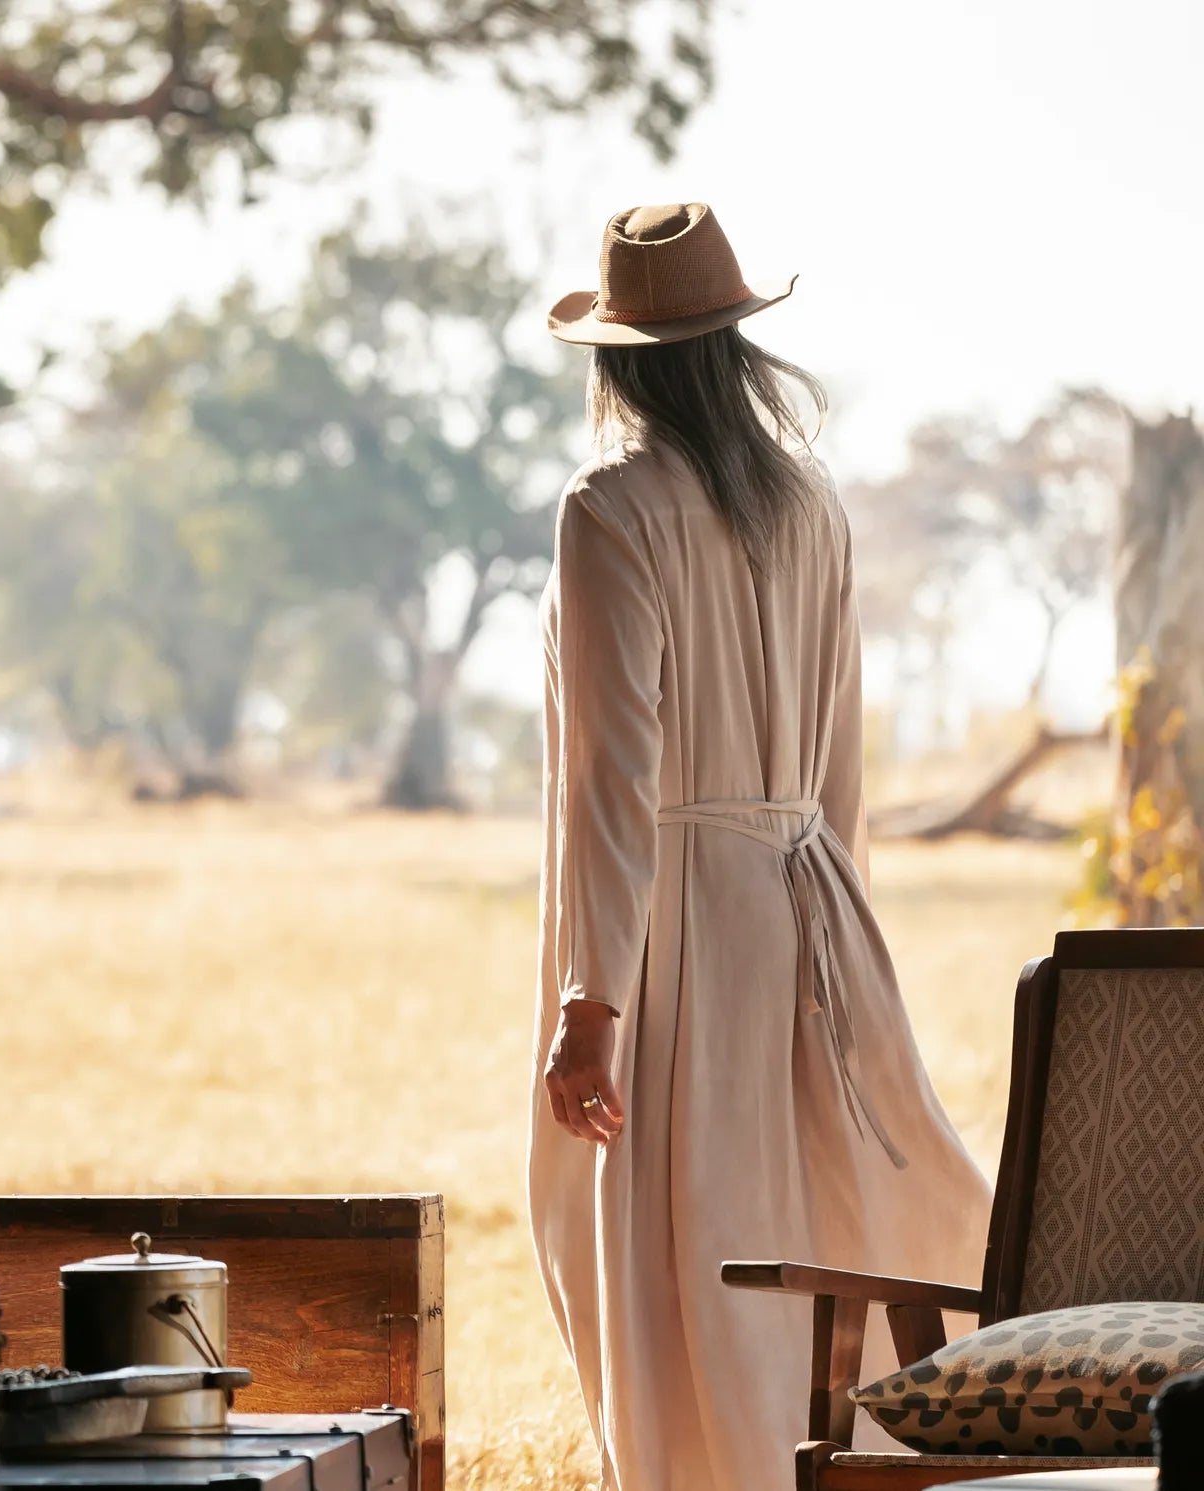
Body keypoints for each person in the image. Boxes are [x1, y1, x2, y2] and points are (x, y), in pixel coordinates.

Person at [525, 203, 993, 1491]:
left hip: (672, 927)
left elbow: (616, 783)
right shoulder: (812, 504)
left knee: (682, 1239)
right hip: (809, 899)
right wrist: (822, 909)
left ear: (620, 361)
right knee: (803, 1217)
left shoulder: (609, 507)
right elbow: (840, 761)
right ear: (734, 348)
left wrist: (590, 1001)